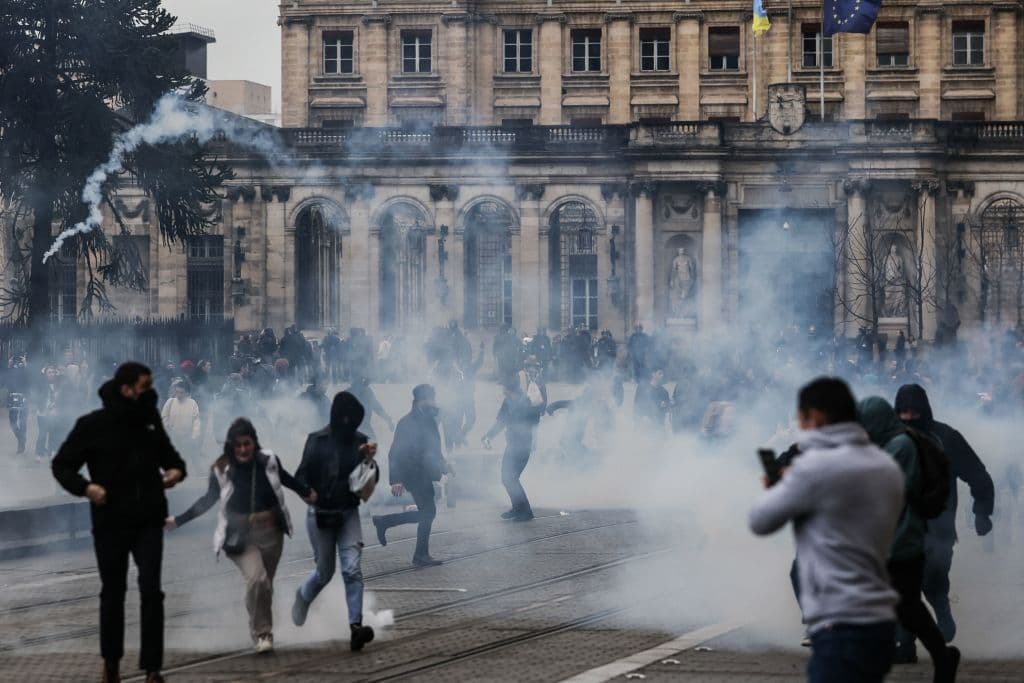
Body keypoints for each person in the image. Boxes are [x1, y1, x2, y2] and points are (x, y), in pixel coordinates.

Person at [749, 378, 904, 683]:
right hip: (880, 618)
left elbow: (761, 520)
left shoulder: (813, 467)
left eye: (802, 417)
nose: (800, 425)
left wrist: (777, 488)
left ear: (816, 416)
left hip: (839, 620)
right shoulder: (885, 465)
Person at [51, 362, 186, 683]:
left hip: (149, 519)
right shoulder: (93, 425)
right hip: (111, 520)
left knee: (152, 590)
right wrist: (86, 488)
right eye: (144, 385)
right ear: (126, 389)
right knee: (113, 591)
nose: (150, 390)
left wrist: (175, 472)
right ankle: (111, 663)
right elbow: (62, 465)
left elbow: (172, 458)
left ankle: (153, 667)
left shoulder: (150, 422)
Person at [166, 419, 315, 653]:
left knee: (264, 584)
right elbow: (208, 500)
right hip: (239, 536)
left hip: (272, 532)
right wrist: (179, 520)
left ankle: (256, 622)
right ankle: (263, 634)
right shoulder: (221, 469)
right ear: (231, 446)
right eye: (238, 446)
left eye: (247, 444)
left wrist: (306, 492)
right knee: (257, 578)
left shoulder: (269, 461)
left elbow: (286, 478)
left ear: (254, 443)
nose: (243, 450)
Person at [858, 397, 960, 682]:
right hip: (896, 541)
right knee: (905, 606)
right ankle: (939, 656)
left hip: (901, 543)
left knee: (905, 606)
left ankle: (940, 656)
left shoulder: (900, 447)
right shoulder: (893, 443)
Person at [894, 383, 995, 648]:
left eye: (914, 412)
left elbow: (978, 476)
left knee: (932, 578)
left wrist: (982, 512)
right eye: (903, 411)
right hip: (897, 529)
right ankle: (905, 646)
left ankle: (941, 610)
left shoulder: (946, 438)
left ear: (924, 410)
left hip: (937, 527)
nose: (908, 417)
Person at [292, 392, 378, 651]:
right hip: (321, 513)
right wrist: (307, 491)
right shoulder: (317, 440)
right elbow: (301, 474)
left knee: (352, 569)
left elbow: (369, 481)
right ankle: (303, 596)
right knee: (325, 571)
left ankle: (355, 626)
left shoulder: (360, 442)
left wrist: (368, 460)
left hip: (348, 512)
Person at [372, 385, 449, 567]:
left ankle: (385, 522)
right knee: (429, 512)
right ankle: (420, 556)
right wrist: (396, 480)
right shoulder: (407, 423)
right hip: (413, 474)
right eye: (432, 398)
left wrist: (444, 465)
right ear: (422, 400)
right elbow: (395, 453)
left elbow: (434, 447)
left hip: (425, 472)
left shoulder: (429, 419)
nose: (434, 402)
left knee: (426, 513)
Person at [482, 379, 544, 522]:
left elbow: (535, 421)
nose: (503, 391)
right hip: (512, 444)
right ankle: (518, 508)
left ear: (511, 389)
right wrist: (489, 435)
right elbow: (501, 421)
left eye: (505, 389)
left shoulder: (528, 401)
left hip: (523, 445)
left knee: (510, 478)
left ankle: (526, 512)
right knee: (507, 478)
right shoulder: (508, 402)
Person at [160, 380, 201, 464]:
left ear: (187, 392)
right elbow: (164, 417)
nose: (178, 395)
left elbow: (196, 421)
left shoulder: (192, 403)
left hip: (187, 436)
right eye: (177, 392)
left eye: (181, 392)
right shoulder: (170, 402)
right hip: (173, 436)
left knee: (189, 456)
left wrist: (194, 435)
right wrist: (168, 429)